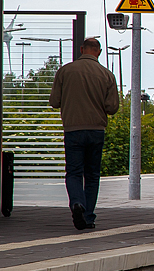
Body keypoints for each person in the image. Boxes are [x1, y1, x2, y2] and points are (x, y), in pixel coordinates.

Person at [49, 37, 120, 229]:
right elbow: (112, 107)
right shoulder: (106, 75)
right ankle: (88, 216)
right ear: (99, 51)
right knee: (92, 175)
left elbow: (54, 101)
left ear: (82, 49)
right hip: (96, 130)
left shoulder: (65, 71)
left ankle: (76, 203)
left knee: (73, 173)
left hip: (73, 130)